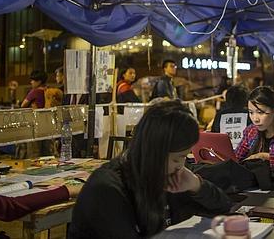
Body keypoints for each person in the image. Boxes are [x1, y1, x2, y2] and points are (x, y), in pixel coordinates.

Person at [69, 101, 231, 238]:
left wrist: (196, 185)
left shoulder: (169, 175)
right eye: (177, 158)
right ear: (155, 151)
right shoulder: (107, 188)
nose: (181, 165)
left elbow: (223, 207)